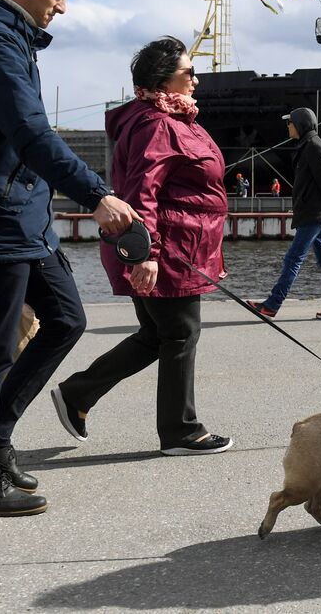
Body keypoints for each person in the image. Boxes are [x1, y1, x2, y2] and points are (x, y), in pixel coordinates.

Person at [0, 0, 137, 517]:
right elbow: (31, 134)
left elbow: (25, 141)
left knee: (67, 319)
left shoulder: (12, 41)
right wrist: (97, 195)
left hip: (24, 217)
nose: (62, 7)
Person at [52, 38, 231, 457]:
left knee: (158, 334)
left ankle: (78, 394)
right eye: (189, 72)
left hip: (178, 242)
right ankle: (180, 431)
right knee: (181, 332)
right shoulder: (157, 124)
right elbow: (140, 193)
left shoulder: (171, 118)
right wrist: (145, 255)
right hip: (168, 247)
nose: (196, 79)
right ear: (161, 80)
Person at [257, 108, 321, 320]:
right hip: (313, 211)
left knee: (293, 259)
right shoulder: (307, 145)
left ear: (301, 124)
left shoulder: (314, 146)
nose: (288, 126)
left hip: (314, 213)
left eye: (290, 122)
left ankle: (272, 304)